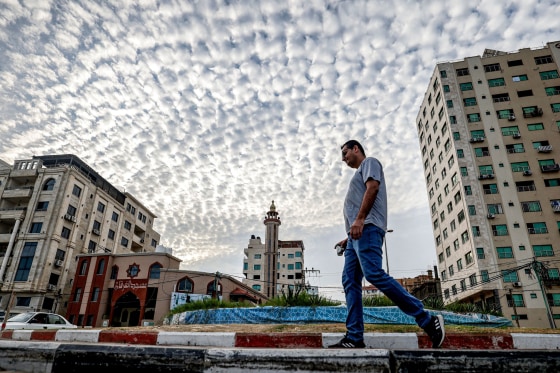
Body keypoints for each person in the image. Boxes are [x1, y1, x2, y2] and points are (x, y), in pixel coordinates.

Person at [328, 140, 445, 349]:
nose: (343, 159)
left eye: (345, 153)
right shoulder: (357, 175)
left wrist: (360, 219)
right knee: (349, 281)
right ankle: (354, 337)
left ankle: (427, 320)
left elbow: (372, 187)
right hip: (356, 236)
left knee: (373, 274)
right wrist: (348, 237)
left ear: (356, 149)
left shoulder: (369, 163)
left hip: (368, 228)